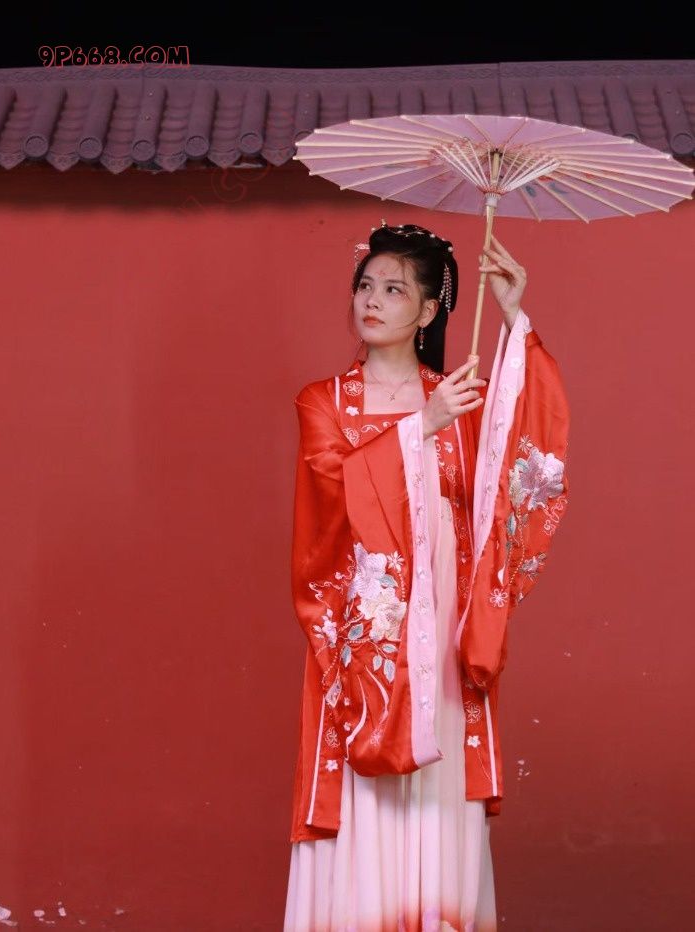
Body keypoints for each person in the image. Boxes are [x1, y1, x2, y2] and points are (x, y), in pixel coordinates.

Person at [283, 221, 570, 931]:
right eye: (365, 286)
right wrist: (422, 427)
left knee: (439, 770)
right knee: (368, 785)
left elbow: (521, 448)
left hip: (442, 626)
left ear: (430, 310)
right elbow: (332, 495)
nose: (371, 301)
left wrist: (513, 315)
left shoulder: (458, 398)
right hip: (369, 632)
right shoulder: (324, 401)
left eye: (393, 290)